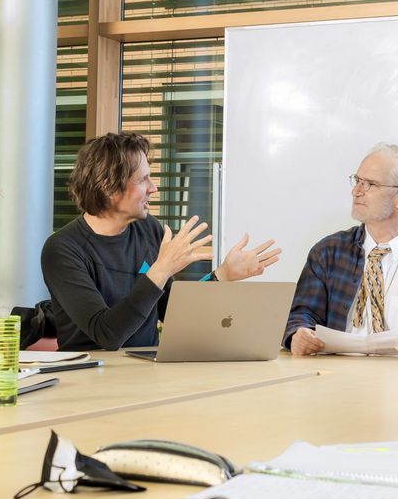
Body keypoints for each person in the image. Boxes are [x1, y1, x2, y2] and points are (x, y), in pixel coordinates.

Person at [41, 132, 282, 351]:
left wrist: (222, 276)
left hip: (146, 369)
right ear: (108, 187)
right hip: (90, 376)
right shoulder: (62, 250)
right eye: (143, 179)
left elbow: (172, 311)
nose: (153, 188)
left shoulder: (148, 229)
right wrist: (161, 269)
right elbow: (108, 335)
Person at [283, 144, 398, 359]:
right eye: (357, 181)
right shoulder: (328, 252)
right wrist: (297, 335)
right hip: (334, 377)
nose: (356, 192)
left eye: (370, 184)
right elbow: (300, 316)